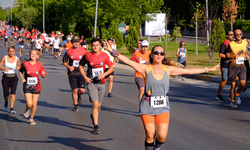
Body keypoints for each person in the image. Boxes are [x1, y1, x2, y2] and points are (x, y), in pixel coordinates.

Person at [103, 41, 219, 150]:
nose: (159, 54)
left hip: (163, 106)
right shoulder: (145, 68)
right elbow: (128, 62)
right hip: (148, 105)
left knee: (162, 137)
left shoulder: (168, 69)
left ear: (164, 56)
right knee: (150, 134)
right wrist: (113, 51)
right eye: (156, 52)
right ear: (151, 55)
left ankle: (156, 148)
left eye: (161, 53)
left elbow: (189, 71)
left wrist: (208, 69)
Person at [79, 38, 114, 134]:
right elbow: (80, 66)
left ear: (100, 46)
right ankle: (96, 126)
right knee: (95, 104)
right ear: (91, 45)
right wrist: (85, 77)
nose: (95, 47)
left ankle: (93, 116)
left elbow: (111, 67)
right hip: (91, 83)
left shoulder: (105, 55)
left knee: (99, 105)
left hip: (101, 83)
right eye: (93, 45)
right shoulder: (87, 55)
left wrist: (104, 74)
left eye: (97, 45)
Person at [19, 50, 47, 125]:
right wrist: (22, 78)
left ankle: (31, 118)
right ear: (29, 55)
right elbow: (20, 71)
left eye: (35, 54)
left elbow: (43, 76)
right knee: (29, 103)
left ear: (37, 56)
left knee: (34, 104)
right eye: (32, 54)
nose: (33, 55)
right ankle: (27, 108)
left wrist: (43, 74)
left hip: (36, 87)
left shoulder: (39, 65)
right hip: (27, 86)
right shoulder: (25, 64)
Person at [62, 36, 87, 112]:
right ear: (72, 43)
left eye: (77, 42)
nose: (76, 43)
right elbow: (64, 62)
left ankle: (79, 95)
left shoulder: (84, 50)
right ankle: (75, 105)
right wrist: (69, 67)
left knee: (82, 90)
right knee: (74, 90)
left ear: (79, 42)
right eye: (74, 42)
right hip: (72, 73)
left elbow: (88, 59)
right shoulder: (68, 51)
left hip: (81, 72)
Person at [225, 29, 249, 108]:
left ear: (242, 35)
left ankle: (237, 94)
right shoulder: (231, 44)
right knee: (233, 85)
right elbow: (227, 55)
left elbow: (244, 51)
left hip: (242, 66)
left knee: (242, 84)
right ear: (234, 36)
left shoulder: (245, 42)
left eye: (240, 34)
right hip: (233, 66)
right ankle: (232, 101)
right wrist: (233, 57)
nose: (238, 35)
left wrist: (247, 55)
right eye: (237, 34)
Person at [0, 46, 21, 114]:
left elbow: (20, 66)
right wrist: (3, 69)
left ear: (14, 51)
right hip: (5, 77)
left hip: (13, 77)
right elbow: (0, 66)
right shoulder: (4, 58)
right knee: (6, 94)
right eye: (10, 51)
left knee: (13, 94)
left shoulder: (17, 59)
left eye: (12, 51)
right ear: (8, 51)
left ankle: (11, 108)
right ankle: (6, 101)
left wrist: (18, 67)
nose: (11, 53)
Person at [216, 31, 234, 102]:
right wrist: (229, 57)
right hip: (225, 64)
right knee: (225, 80)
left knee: (234, 79)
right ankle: (219, 95)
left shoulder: (234, 44)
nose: (232, 36)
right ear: (227, 36)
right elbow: (220, 54)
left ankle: (231, 95)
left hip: (232, 64)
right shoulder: (224, 44)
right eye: (231, 34)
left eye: (233, 34)